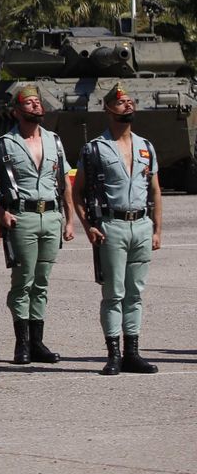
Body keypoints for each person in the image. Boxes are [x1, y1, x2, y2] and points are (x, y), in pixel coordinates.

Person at [71, 82, 162, 376]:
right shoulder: (95, 149)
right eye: (121, 102)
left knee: (135, 292)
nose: (128, 105)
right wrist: (88, 227)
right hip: (111, 226)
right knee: (113, 293)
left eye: (130, 101)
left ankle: (132, 353)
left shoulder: (146, 146)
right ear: (108, 108)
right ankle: (113, 354)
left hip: (141, 225)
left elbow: (156, 191)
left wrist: (157, 230)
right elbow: (78, 191)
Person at [0, 83, 72, 365]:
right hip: (22, 216)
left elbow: (63, 182)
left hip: (50, 216)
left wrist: (69, 219)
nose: (36, 106)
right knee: (23, 281)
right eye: (29, 103)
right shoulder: (3, 144)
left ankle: (37, 342)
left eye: (38, 102)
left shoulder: (54, 141)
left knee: (42, 282)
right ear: (16, 111)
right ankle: (22, 343)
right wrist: (0, 214)